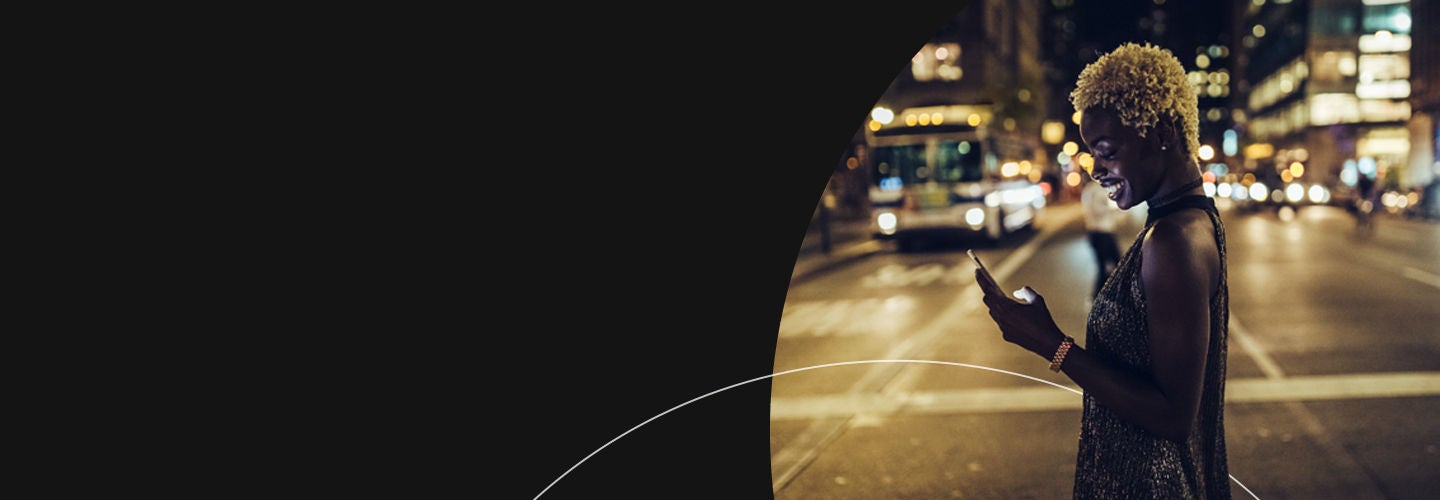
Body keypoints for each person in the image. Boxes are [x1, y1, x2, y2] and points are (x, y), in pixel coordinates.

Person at [973, 42, 1231, 499]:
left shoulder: (1173, 241)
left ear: (1163, 132)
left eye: (1107, 151)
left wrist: (1051, 345)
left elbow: (1173, 416)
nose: (1096, 169)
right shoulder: (1186, 221)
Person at [1080, 168, 1124, 298]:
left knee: (1107, 265)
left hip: (1094, 232)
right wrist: (1115, 211)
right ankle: (1101, 296)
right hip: (1103, 232)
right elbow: (1099, 210)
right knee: (1116, 265)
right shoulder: (1098, 190)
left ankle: (1099, 296)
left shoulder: (1089, 189)